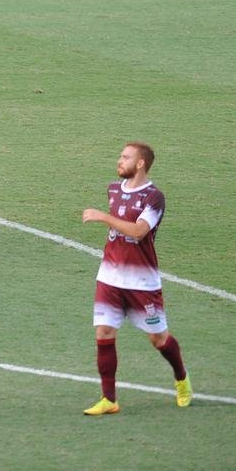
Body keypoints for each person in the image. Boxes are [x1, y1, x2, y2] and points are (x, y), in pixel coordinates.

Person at [81, 142, 192, 415]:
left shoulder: (154, 197)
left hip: (142, 283)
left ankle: (181, 379)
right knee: (104, 333)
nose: (119, 160)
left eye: (125, 157)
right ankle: (109, 399)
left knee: (158, 339)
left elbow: (140, 231)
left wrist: (103, 217)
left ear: (140, 163)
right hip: (109, 277)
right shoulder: (113, 189)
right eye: (120, 155)